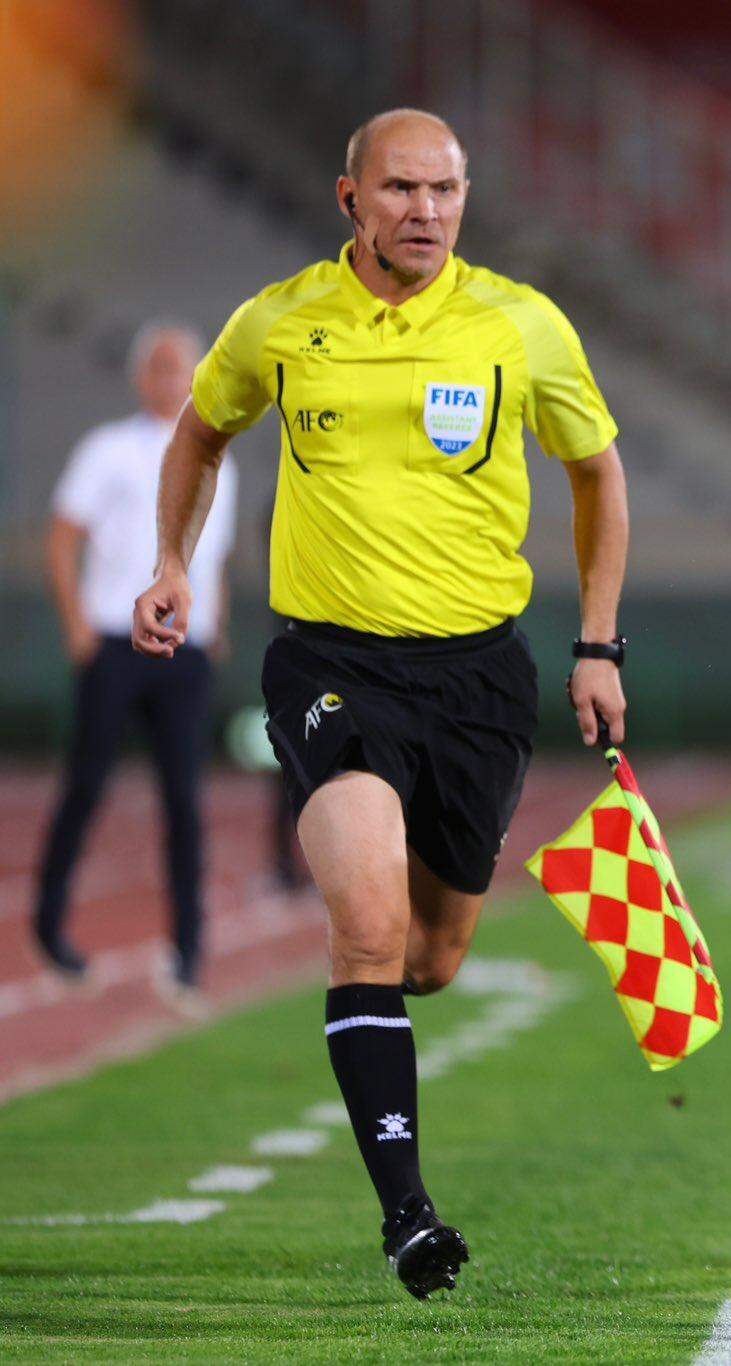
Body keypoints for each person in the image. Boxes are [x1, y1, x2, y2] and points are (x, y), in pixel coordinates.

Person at [131, 108, 631, 1301]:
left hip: (478, 677)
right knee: (362, 925)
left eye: (446, 189)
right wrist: (172, 562)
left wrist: (598, 641)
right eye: (402, 189)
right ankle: (409, 1216)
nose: (426, 210)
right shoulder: (280, 319)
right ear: (349, 197)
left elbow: (596, 472)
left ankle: (382, 1020)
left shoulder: (519, 323)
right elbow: (200, 434)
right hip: (330, 666)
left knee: (430, 957)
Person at [36, 322, 236, 997]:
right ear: (139, 376)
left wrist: (216, 625)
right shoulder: (107, 450)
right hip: (114, 644)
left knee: (184, 801)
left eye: (183, 367)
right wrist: (75, 628)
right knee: (85, 787)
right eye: (160, 366)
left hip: (185, 651)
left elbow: (212, 557)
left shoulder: (219, 458)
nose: (171, 378)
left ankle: (188, 952)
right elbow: (63, 538)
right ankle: (48, 926)